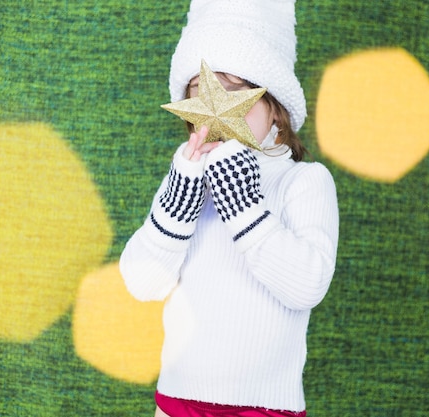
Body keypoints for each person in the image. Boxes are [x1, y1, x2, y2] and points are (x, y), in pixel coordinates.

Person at [119, 0, 339, 415]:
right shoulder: (185, 181)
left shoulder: (304, 181)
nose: (217, 113)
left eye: (235, 92)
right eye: (200, 94)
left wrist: (243, 207)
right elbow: (141, 283)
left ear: (275, 108)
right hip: (177, 401)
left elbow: (307, 286)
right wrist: (177, 204)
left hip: (263, 407)